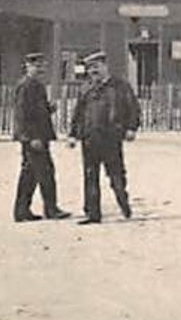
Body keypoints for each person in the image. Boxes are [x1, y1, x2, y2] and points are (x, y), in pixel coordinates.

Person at [66, 51, 140, 225]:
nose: (93, 71)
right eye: (90, 68)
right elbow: (78, 113)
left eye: (96, 67)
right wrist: (72, 135)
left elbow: (133, 108)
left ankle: (123, 203)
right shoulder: (86, 88)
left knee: (116, 175)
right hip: (90, 138)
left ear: (105, 66)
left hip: (111, 138)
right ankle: (93, 214)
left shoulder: (120, 86)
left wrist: (131, 128)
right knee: (90, 176)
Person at [12, 53, 69, 222]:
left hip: (38, 136)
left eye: (42, 66)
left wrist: (48, 108)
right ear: (27, 67)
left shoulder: (36, 85)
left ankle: (22, 211)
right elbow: (22, 114)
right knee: (45, 172)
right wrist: (31, 137)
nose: (40, 69)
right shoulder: (26, 86)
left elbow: (36, 111)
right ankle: (51, 209)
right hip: (34, 138)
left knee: (30, 174)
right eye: (36, 66)